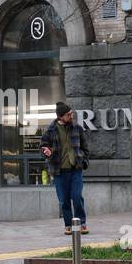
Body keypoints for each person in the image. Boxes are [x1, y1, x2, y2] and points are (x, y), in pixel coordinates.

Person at [41, 101, 89, 235]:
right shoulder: (50, 130)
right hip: (59, 171)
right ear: (60, 116)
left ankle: (81, 223)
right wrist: (47, 152)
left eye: (71, 113)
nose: (71, 116)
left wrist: (84, 160)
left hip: (76, 169)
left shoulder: (77, 128)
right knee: (64, 200)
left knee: (77, 196)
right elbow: (43, 147)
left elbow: (85, 147)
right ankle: (68, 224)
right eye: (68, 114)